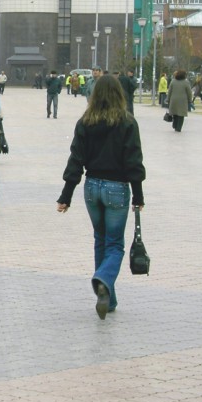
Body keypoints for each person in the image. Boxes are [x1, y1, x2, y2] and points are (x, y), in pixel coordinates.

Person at [57, 74, 146, 320]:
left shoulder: (85, 122)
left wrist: (66, 195)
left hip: (92, 187)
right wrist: (138, 196)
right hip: (117, 188)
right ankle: (103, 279)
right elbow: (133, 160)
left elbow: (76, 159)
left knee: (100, 239)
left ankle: (108, 297)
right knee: (115, 244)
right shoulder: (128, 122)